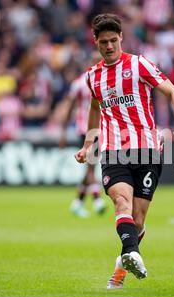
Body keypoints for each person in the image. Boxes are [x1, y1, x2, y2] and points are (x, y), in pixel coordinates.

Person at [74, 13, 174, 289]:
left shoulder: (138, 65)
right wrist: (89, 143)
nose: (110, 46)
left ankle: (123, 263)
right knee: (120, 203)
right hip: (114, 151)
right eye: (104, 42)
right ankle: (133, 254)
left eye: (114, 40)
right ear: (96, 42)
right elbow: (94, 106)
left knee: (136, 221)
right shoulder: (93, 76)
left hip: (147, 150)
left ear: (121, 37)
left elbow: (173, 92)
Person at [56, 53, 107, 218]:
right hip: (84, 129)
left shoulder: (106, 80)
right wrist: (63, 132)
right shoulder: (79, 83)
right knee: (91, 164)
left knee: (91, 166)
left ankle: (77, 202)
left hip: (100, 128)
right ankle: (97, 199)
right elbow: (69, 107)